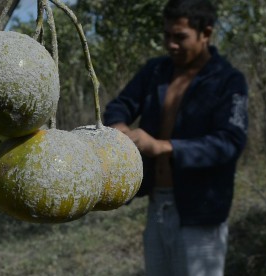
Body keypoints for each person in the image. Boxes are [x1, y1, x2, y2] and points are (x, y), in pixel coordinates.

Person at [103, 0, 248, 275]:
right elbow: (120, 104)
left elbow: (230, 142)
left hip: (201, 212)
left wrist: (162, 147)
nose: (171, 44)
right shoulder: (156, 71)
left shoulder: (228, 81)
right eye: (167, 35)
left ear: (206, 33)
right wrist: (119, 128)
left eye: (180, 37)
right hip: (158, 204)